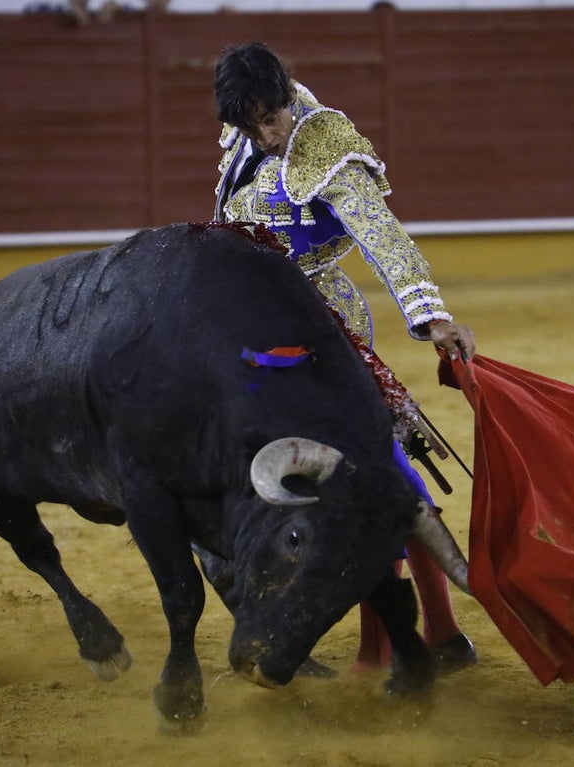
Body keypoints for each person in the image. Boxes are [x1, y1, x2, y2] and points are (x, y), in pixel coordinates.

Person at [212, 41, 477, 675]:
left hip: (323, 329)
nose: (265, 135)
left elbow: (383, 236)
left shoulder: (325, 140)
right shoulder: (242, 137)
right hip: (254, 331)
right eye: (251, 125)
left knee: (362, 476)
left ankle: (415, 639)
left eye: (270, 119)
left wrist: (431, 316)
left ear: (285, 94)